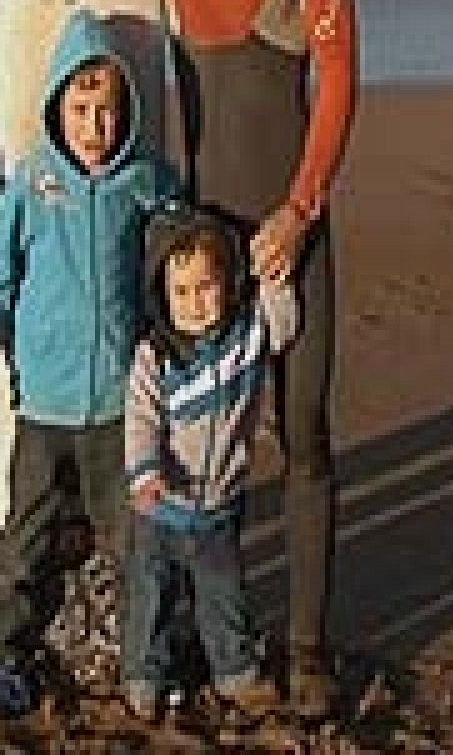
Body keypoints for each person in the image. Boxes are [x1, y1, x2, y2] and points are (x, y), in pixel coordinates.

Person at [155, 0, 358, 717]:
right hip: (206, 246)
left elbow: (338, 78)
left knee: (305, 426)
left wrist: (298, 211)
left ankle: (311, 642)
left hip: (289, 231)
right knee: (204, 447)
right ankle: (217, 628)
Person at [0, 10, 180, 721]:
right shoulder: (32, 184)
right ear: (58, 105)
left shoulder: (142, 182)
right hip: (44, 404)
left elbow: (177, 240)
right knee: (24, 540)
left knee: (132, 540)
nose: (97, 127)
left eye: (109, 112)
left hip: (118, 406)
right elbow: (0, 273)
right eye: (82, 110)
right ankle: (0, 656)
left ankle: (150, 654)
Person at [121, 204, 294, 723]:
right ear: (162, 296)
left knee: (223, 596)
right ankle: (143, 677)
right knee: (150, 598)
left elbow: (281, 326)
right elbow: (141, 419)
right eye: (182, 292)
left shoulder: (244, 339)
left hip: (220, 504)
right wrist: (144, 472)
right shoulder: (156, 356)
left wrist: (275, 282)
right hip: (160, 508)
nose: (196, 303)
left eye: (206, 287)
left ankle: (235, 671)